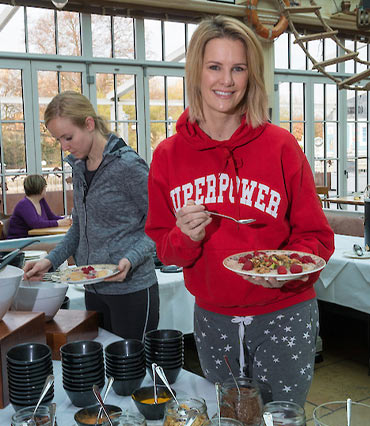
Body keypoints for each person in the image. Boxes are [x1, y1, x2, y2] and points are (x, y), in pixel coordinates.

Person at [145, 15, 334, 406]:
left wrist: (284, 271)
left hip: (286, 312)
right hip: (213, 317)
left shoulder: (282, 146)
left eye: (238, 68)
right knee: (229, 416)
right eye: (214, 67)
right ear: (197, 72)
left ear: (252, 76)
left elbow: (316, 237)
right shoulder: (167, 156)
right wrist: (185, 236)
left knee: (281, 416)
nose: (226, 81)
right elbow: (165, 249)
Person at [24, 91, 159, 341]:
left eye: (68, 137)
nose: (64, 146)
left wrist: (131, 258)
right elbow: (79, 228)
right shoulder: (78, 167)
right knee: (103, 367)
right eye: (59, 140)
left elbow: (162, 224)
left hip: (132, 290)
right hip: (93, 287)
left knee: (132, 372)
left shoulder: (128, 166)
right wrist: (50, 261)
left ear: (89, 124)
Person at [7, 174, 71, 239]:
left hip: (34, 239)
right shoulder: (24, 205)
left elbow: (51, 217)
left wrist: (66, 220)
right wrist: (57, 223)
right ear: (39, 188)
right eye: (44, 187)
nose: (45, 188)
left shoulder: (41, 200)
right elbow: (36, 224)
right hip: (19, 242)